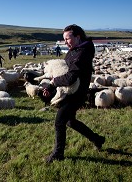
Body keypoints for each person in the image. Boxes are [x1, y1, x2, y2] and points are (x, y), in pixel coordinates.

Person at [43, 24, 105, 163]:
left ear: (77, 36)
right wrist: (51, 87)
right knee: (70, 121)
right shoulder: (74, 50)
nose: (65, 42)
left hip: (77, 93)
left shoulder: (82, 52)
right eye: (64, 39)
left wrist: (53, 83)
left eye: (68, 38)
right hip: (70, 91)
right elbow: (63, 73)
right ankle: (97, 139)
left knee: (60, 121)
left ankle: (58, 154)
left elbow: (71, 77)